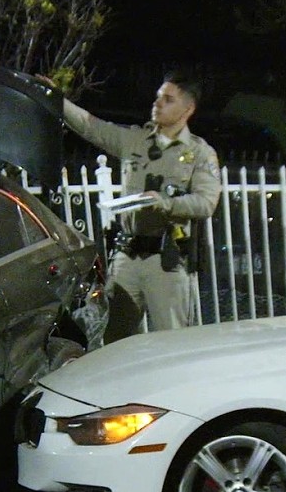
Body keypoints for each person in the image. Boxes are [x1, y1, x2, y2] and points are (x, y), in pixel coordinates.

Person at [42, 70, 223, 341]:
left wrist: (165, 203)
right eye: (158, 97)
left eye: (168, 100)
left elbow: (206, 203)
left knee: (172, 342)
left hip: (166, 262)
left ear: (188, 109)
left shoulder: (199, 153)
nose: (158, 103)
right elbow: (92, 127)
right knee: (116, 340)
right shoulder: (135, 140)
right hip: (127, 257)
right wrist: (58, 101)